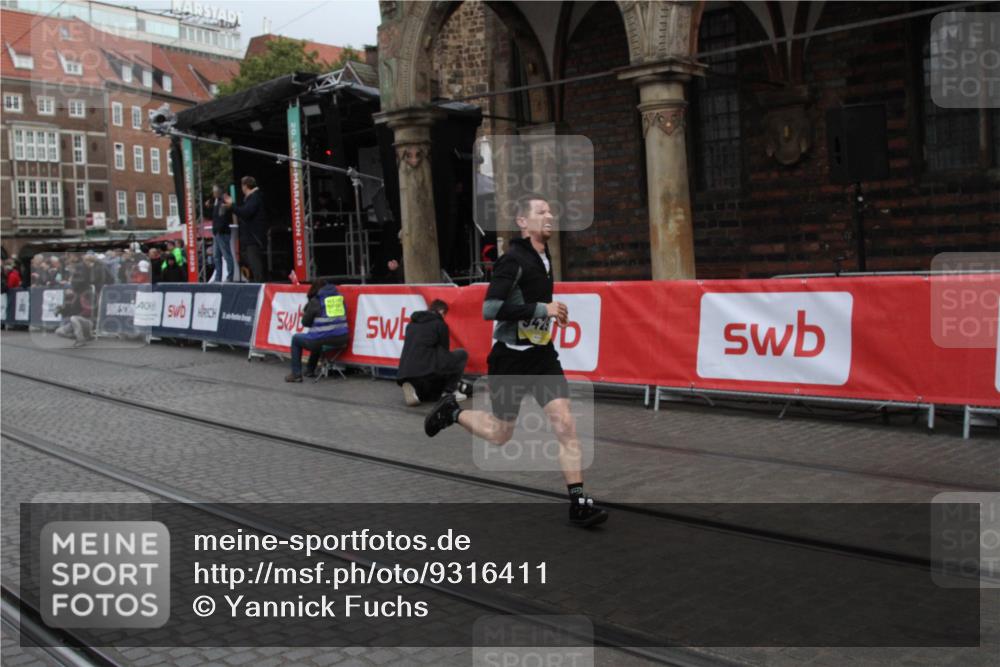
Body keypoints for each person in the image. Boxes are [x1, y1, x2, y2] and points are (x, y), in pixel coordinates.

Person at [423, 194, 608, 528]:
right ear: (523, 222)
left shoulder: (545, 256)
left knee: (565, 423)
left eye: (551, 209)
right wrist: (543, 310)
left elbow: (532, 302)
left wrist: (551, 315)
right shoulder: (513, 260)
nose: (549, 215)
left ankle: (579, 502)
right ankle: (453, 411)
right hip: (510, 360)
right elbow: (490, 309)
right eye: (541, 211)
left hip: (541, 357)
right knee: (500, 434)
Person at [396, 299, 470, 406]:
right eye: (445, 314)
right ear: (441, 311)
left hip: (405, 373)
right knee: (461, 354)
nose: (445, 317)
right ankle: (450, 391)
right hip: (426, 371)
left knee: (427, 396)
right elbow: (444, 352)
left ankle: (414, 389)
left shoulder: (411, 324)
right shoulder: (440, 324)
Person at [285, 279, 350, 382]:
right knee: (316, 336)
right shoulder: (339, 298)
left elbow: (305, 323)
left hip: (323, 339)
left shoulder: (316, 301)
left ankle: (296, 374)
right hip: (342, 339)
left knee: (297, 339)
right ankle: (310, 370)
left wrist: (307, 310)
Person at [224, 176, 266, 282]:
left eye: (242, 185)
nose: (241, 188)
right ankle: (257, 280)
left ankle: (259, 282)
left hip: (254, 236)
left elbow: (246, 212)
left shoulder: (255, 197)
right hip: (249, 236)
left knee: (254, 260)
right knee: (246, 256)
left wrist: (232, 206)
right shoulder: (250, 198)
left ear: (246, 186)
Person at [207, 185, 235, 281]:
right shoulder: (216, 202)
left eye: (215, 191)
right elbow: (216, 216)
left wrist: (218, 230)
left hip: (221, 232)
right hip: (217, 232)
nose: (213, 193)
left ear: (219, 192)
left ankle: (229, 277)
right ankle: (218, 277)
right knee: (216, 256)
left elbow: (222, 217)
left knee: (226, 255)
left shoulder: (223, 201)